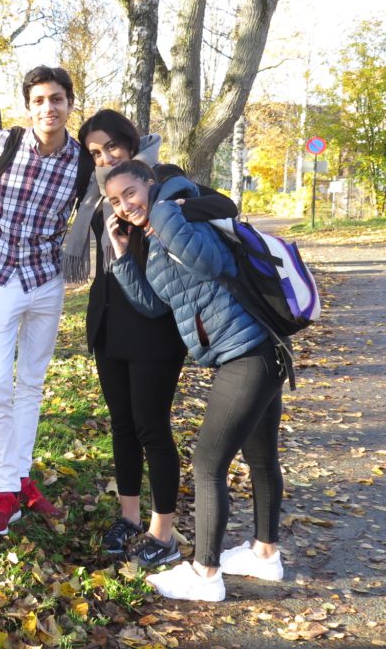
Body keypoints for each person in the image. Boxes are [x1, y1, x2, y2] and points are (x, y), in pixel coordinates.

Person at [105, 160, 286, 602]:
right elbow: (155, 305)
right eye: (115, 201)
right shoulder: (155, 236)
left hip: (247, 354)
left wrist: (164, 211)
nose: (125, 205)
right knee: (260, 457)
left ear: (151, 184)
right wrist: (123, 254)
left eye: (131, 193)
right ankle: (265, 554)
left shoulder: (177, 213)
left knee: (207, 465)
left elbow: (209, 262)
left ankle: (205, 575)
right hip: (252, 352)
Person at [71, 109, 237, 565]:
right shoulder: (100, 194)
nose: (104, 157)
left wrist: (170, 210)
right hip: (108, 321)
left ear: (130, 141)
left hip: (154, 326)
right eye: (95, 152)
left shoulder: (162, 180)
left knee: (151, 427)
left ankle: (161, 530)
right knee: (122, 427)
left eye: (110, 147)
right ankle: (128, 518)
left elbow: (223, 206)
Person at [0, 66, 95, 536]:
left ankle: (17, 482)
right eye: (40, 99)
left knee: (31, 384)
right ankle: (7, 487)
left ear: (69, 103)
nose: (49, 108)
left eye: (57, 98)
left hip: (47, 280)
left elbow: (126, 182)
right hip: (2, 277)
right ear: (28, 105)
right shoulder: (4, 145)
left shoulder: (83, 163)